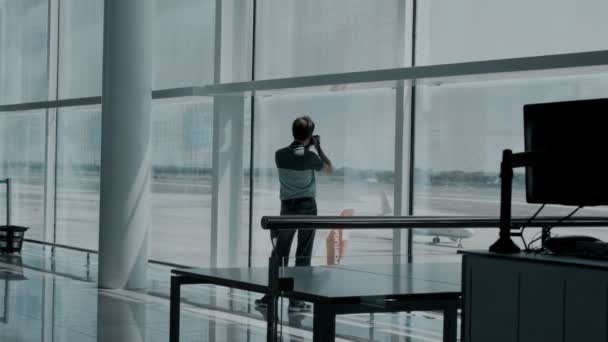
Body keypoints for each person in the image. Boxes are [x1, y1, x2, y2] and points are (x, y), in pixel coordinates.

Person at [255, 116, 333, 313]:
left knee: (280, 253)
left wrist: (307, 145)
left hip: (287, 208)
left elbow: (295, 153)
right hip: (307, 207)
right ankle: (296, 301)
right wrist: (318, 148)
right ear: (310, 136)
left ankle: (270, 296)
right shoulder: (311, 157)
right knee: (303, 254)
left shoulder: (279, 154)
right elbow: (329, 169)